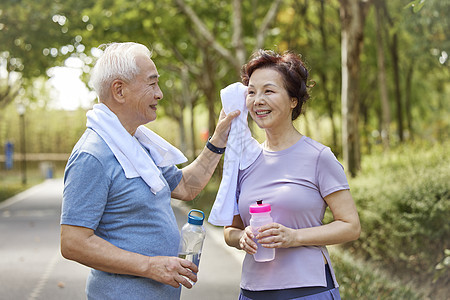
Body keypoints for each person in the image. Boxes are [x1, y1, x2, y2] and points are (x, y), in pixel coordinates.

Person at [60, 42, 239, 299]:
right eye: (152, 83)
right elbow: (73, 243)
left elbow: (186, 187)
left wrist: (219, 138)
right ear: (119, 90)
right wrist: (149, 265)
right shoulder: (93, 155)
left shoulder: (137, 146)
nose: (160, 93)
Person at [223, 50, 361, 300]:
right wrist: (241, 237)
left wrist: (294, 236)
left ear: (293, 101)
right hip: (253, 292)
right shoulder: (243, 161)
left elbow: (350, 226)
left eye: (269, 91)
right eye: (251, 92)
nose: (257, 100)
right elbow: (230, 230)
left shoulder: (319, 157)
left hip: (308, 290)